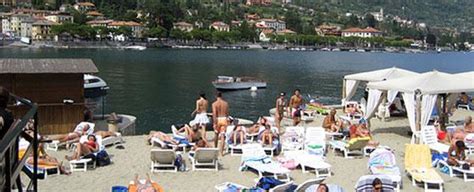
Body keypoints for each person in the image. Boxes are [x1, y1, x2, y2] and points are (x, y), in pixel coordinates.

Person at [212, 92, 229, 156]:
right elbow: (227, 113)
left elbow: (214, 113)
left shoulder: (214, 104)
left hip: (218, 119)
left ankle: (215, 148)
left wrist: (214, 123)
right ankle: (221, 152)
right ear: (221, 96)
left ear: (216, 96)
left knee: (216, 134)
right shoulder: (226, 103)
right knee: (222, 136)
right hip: (224, 119)